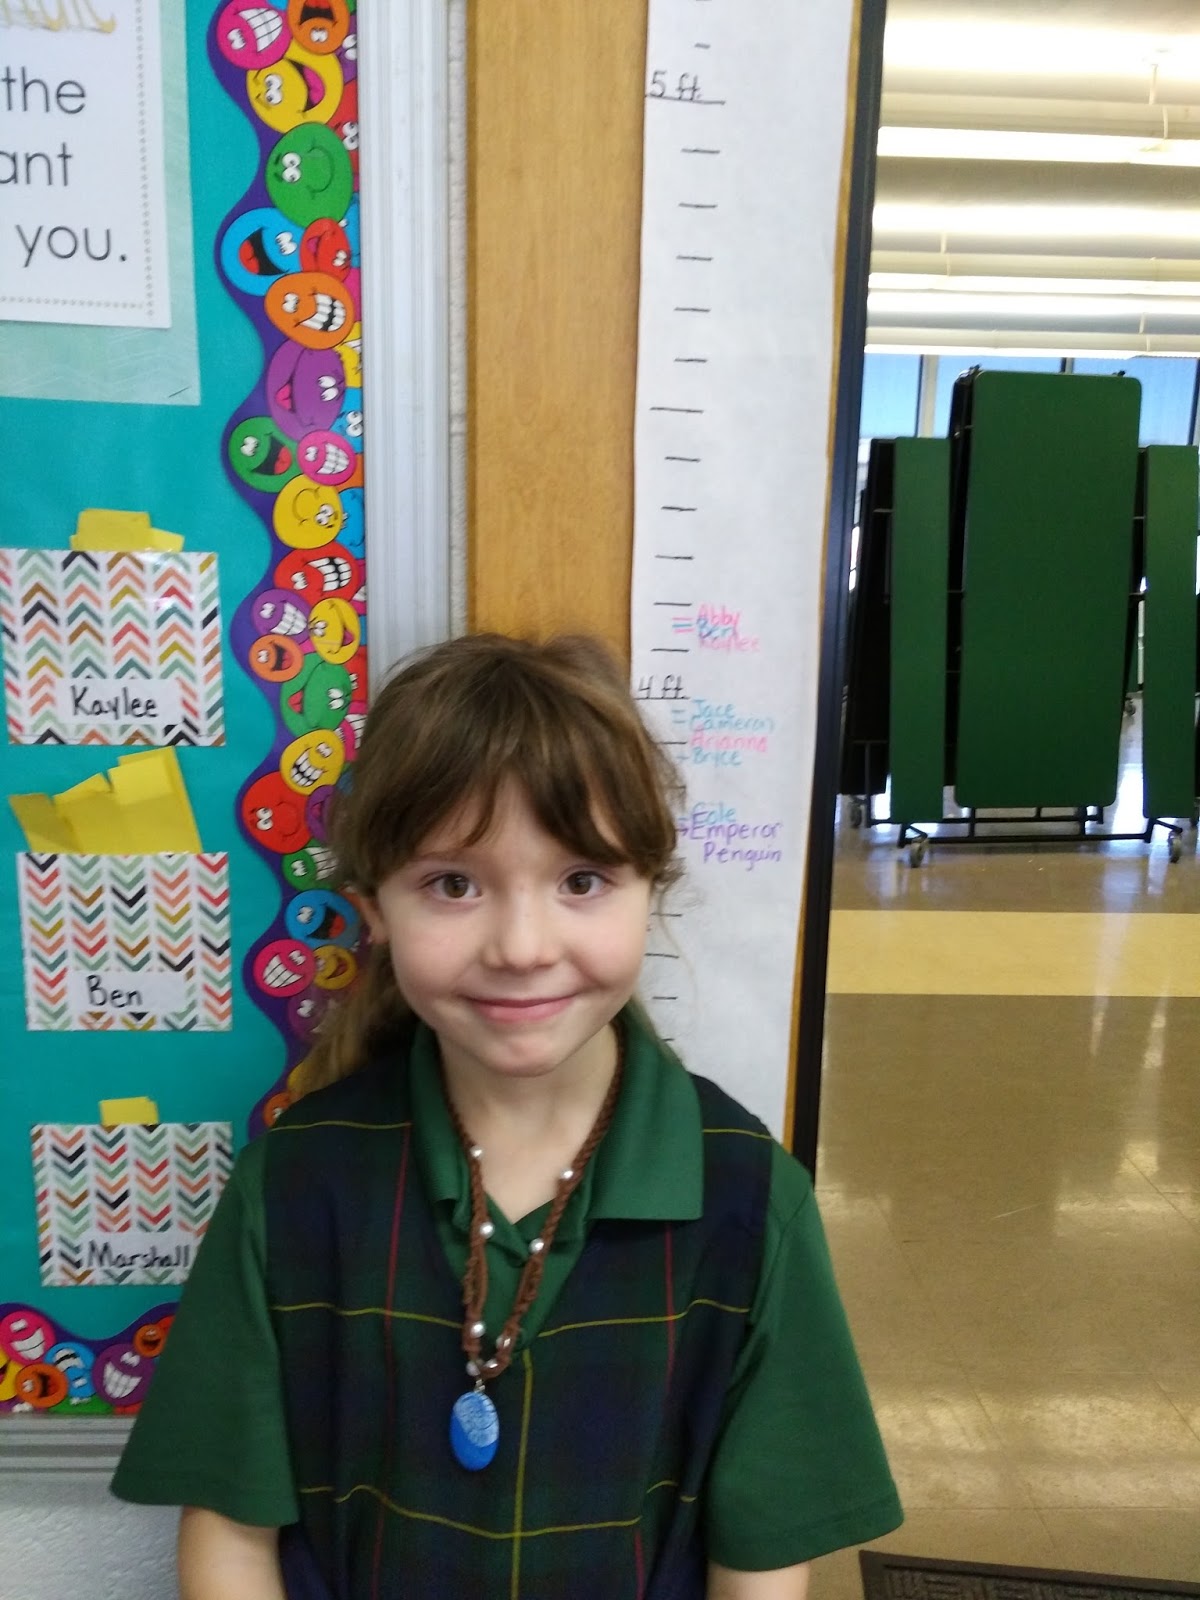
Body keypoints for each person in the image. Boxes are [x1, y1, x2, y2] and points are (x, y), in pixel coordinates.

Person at [112, 633, 902, 1599]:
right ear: (374, 910)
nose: (523, 948)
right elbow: (229, 1537)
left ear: (650, 890)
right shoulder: (296, 1182)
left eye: (582, 881)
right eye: (453, 884)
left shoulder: (747, 1196)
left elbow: (764, 1563)